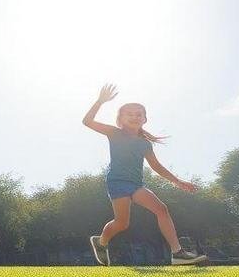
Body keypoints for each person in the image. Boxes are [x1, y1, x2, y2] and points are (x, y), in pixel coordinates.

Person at [83, 84, 207, 266]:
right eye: (129, 114)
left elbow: (156, 166)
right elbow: (87, 121)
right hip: (117, 182)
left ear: (145, 119)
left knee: (161, 209)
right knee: (122, 223)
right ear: (120, 119)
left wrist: (178, 181)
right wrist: (100, 101)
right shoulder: (114, 133)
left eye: (138, 114)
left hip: (136, 184)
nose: (134, 116)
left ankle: (177, 253)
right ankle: (101, 242)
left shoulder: (145, 144)